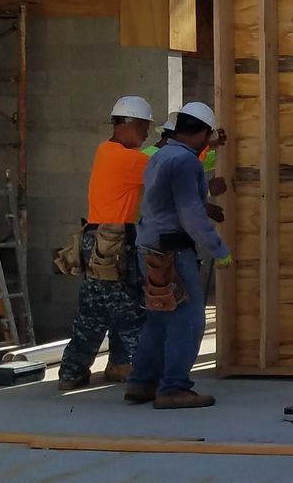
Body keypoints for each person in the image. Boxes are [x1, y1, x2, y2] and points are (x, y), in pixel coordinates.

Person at [126, 102, 229, 410]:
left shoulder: (160, 157)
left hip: (149, 248)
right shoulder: (185, 162)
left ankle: (142, 382)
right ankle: (174, 388)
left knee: (158, 318)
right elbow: (191, 214)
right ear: (201, 133)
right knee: (188, 321)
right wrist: (219, 249)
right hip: (173, 251)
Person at [56, 95, 154, 391]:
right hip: (113, 243)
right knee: (130, 310)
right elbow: (167, 168)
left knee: (94, 309)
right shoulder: (127, 159)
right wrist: (202, 152)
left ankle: (78, 371)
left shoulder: (108, 152)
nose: (147, 133)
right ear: (129, 123)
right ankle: (137, 371)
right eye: (144, 127)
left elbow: (153, 156)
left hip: (98, 240)